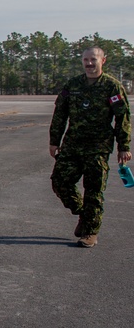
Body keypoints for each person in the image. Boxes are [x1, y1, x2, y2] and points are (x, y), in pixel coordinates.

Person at [49, 46, 131, 247]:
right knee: (60, 182)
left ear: (103, 61)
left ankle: (90, 233)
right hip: (72, 145)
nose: (89, 64)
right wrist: (54, 140)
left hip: (98, 147)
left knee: (94, 190)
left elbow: (122, 117)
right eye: (86, 60)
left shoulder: (112, 87)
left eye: (93, 59)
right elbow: (60, 113)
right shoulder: (73, 85)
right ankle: (85, 215)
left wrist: (124, 145)